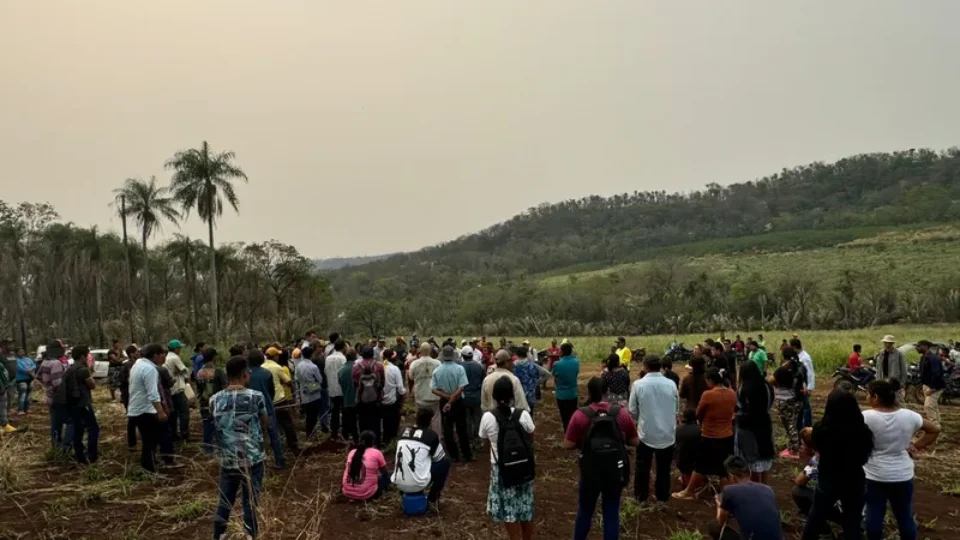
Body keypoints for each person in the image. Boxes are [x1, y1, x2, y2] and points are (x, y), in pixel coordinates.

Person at [862, 379, 940, 540]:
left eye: (868, 394)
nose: (866, 397)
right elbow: (934, 430)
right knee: (904, 515)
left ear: (875, 397)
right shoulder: (909, 415)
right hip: (903, 474)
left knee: (874, 513)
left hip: (875, 475)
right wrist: (916, 446)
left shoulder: (866, 417)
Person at [565, 377, 640, 539]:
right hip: (615, 470)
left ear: (589, 392)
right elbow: (635, 441)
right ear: (607, 391)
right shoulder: (621, 413)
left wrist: (584, 441)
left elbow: (568, 444)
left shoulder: (580, 415)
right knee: (611, 512)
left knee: (585, 511)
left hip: (590, 470)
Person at [801, 389, 875, 540]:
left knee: (815, 517)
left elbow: (816, 450)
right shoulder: (863, 431)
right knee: (852, 522)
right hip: (854, 479)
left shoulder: (821, 429)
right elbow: (865, 456)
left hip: (828, 478)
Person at [211, 356, 268, 540]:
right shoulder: (256, 397)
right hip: (252, 458)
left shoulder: (214, 399)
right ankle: (251, 535)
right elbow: (263, 421)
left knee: (225, 501)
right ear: (245, 374)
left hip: (228, 459)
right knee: (250, 501)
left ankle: (219, 535)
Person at [479, 377, 536, 540]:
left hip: (500, 468)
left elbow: (484, 438)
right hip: (524, 466)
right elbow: (531, 437)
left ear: (494, 397)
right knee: (526, 507)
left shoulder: (488, 417)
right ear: (513, 395)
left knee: (509, 510)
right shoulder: (523, 414)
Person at [673, 369, 737, 500]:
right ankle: (725, 495)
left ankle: (689, 491)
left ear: (710, 381)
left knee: (700, 465)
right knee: (723, 468)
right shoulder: (732, 393)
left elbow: (698, 413)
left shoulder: (708, 395)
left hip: (710, 435)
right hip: (727, 435)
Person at [627, 355, 679, 506]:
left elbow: (632, 411)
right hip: (667, 434)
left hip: (646, 433)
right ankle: (662, 499)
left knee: (642, 467)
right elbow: (675, 409)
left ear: (645, 367)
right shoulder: (671, 384)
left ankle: (641, 498)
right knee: (664, 469)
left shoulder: (638, 385)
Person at [708, 456, 783, 540]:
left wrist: (719, 505)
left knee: (713, 526)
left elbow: (721, 521)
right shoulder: (768, 489)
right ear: (749, 473)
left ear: (731, 476)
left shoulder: (729, 490)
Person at [392, 407, 451, 505]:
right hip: (418, 483)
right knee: (445, 462)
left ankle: (403, 491)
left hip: (398, 483)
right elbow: (438, 459)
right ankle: (433, 498)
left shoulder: (402, 431)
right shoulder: (431, 435)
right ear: (430, 421)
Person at [735, 361, 775, 483]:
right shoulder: (766, 385)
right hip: (765, 422)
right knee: (764, 454)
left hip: (748, 427)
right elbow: (770, 402)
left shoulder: (743, 389)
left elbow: (740, 406)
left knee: (751, 458)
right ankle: (765, 486)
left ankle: (754, 488)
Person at [431, 345, 473, 462]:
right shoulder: (459, 369)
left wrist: (447, 398)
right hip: (458, 402)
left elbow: (433, 389)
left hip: (444, 402)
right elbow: (462, 387)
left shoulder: (437, 370)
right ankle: (467, 455)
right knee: (461, 429)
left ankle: (454, 455)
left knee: (447, 429)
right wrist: (453, 398)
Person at [59, 345, 99, 464]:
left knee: (78, 430)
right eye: (86, 355)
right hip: (83, 403)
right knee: (93, 428)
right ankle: (92, 455)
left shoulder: (69, 369)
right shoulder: (83, 369)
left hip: (72, 404)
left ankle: (80, 456)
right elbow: (92, 385)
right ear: (82, 356)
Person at [247, 350, 286, 469]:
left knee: (255, 436)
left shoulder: (246, 375)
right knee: (274, 435)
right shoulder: (267, 373)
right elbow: (271, 391)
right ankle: (279, 460)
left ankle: (259, 462)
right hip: (267, 407)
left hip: (252, 410)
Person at [769, 347, 806, 459]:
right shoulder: (800, 367)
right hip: (797, 399)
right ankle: (794, 446)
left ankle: (794, 451)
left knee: (789, 425)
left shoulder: (783, 370)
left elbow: (770, 381)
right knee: (794, 423)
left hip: (785, 401)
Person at [342, 430, 390, 501]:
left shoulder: (352, 452)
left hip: (347, 492)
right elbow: (384, 472)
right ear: (373, 442)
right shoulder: (376, 453)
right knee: (388, 476)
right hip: (366, 494)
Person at [195, 347, 227, 455]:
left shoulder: (199, 372)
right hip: (218, 402)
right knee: (219, 425)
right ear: (214, 357)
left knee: (207, 424)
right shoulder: (218, 371)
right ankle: (220, 448)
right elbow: (225, 387)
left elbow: (198, 390)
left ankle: (208, 449)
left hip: (204, 403)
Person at [352, 346, 385, 445]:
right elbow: (383, 382)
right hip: (376, 400)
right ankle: (377, 444)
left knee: (363, 423)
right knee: (376, 424)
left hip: (362, 401)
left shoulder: (356, 367)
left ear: (361, 354)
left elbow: (354, 383)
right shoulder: (379, 366)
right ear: (373, 354)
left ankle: (364, 444)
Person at [410, 343, 443, 434]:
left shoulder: (414, 364)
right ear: (430, 351)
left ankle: (421, 437)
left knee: (420, 418)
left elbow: (411, 377)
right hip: (434, 396)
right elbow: (440, 377)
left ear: (420, 351)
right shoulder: (437, 363)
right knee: (435, 418)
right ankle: (437, 438)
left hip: (420, 396)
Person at [162, 339, 191, 442]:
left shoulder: (165, 357)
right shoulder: (175, 357)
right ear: (175, 349)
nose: (180, 350)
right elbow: (184, 369)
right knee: (184, 412)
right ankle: (184, 434)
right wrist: (181, 372)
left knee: (173, 414)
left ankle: (173, 434)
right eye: (179, 348)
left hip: (169, 390)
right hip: (178, 389)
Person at [460, 345, 485, 449]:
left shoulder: (460, 367)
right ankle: (477, 439)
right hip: (477, 396)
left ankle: (469, 440)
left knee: (467, 419)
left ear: (462, 355)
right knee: (477, 418)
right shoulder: (479, 366)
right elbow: (483, 380)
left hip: (464, 396)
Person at [381, 349, 407, 446]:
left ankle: (385, 439)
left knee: (385, 421)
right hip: (392, 400)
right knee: (394, 420)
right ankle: (393, 439)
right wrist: (403, 395)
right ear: (393, 357)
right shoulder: (395, 369)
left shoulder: (380, 367)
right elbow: (400, 388)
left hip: (381, 400)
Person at [917, 340, 945, 428]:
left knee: (928, 406)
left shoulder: (933, 358)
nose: (917, 348)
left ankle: (935, 427)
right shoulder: (924, 357)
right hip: (927, 385)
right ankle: (938, 425)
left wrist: (932, 388)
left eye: (919, 346)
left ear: (925, 346)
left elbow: (936, 374)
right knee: (933, 406)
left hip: (935, 386)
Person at [553, 342, 580, 430]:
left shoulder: (557, 364)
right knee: (573, 415)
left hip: (561, 395)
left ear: (562, 352)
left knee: (564, 417)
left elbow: (555, 377)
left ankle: (567, 434)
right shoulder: (576, 362)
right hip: (573, 394)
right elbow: (575, 374)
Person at [324, 339, 347, 440]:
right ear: (343, 347)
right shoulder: (343, 359)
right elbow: (344, 373)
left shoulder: (328, 358)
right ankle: (345, 433)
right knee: (344, 411)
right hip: (342, 389)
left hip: (332, 389)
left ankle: (334, 433)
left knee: (334, 411)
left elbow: (325, 371)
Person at [791, 339, 815, 430]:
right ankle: (805, 425)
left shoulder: (805, 358)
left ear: (794, 347)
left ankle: (808, 425)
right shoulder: (799, 356)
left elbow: (810, 373)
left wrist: (809, 388)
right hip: (802, 385)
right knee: (803, 406)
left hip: (805, 386)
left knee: (806, 406)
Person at [338, 348, 360, 443]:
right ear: (355, 356)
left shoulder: (341, 370)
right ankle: (360, 439)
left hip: (347, 399)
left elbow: (340, 383)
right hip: (359, 399)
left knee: (351, 421)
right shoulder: (359, 367)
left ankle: (353, 439)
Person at [675, 409, 700, 488]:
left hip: (682, 461)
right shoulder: (700, 430)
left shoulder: (678, 429)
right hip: (698, 462)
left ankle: (687, 482)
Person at [14, 349, 35, 415]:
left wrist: (31, 369)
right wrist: (27, 371)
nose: (22, 353)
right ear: (16, 353)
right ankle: (20, 409)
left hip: (30, 379)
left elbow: (34, 365)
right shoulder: (16, 360)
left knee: (28, 395)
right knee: (22, 394)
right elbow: (19, 368)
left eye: (22, 351)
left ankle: (26, 409)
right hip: (21, 379)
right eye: (20, 352)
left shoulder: (28, 359)